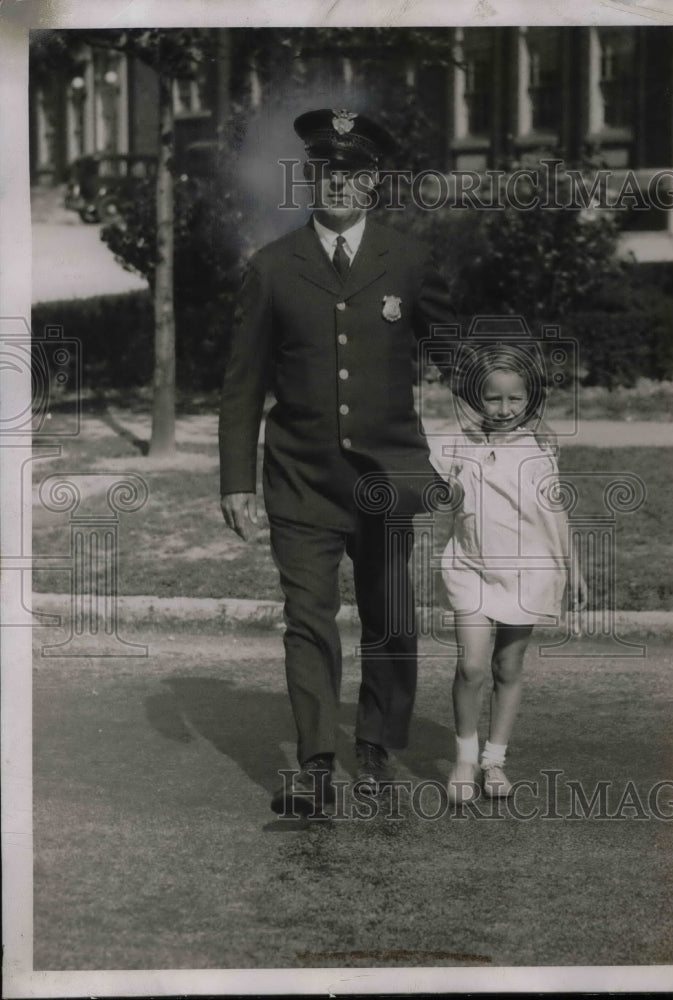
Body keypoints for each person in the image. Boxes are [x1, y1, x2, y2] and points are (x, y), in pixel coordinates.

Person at [219, 108, 458, 816]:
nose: (339, 184)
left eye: (354, 173)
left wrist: (507, 419)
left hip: (386, 478)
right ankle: (318, 761)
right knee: (308, 620)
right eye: (327, 171)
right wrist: (236, 480)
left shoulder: (408, 262)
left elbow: (451, 352)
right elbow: (243, 384)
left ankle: (378, 744)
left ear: (375, 183)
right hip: (300, 477)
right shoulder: (270, 269)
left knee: (390, 618)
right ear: (309, 178)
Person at [430, 342, 587, 804]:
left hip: (529, 570)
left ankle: (494, 761)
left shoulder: (540, 448)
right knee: (471, 665)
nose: (503, 409)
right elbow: (422, 469)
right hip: (471, 566)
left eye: (514, 398)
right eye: (492, 398)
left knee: (508, 665)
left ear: (530, 398)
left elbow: (556, 512)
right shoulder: (453, 444)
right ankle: (464, 756)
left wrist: (573, 569)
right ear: (475, 397)